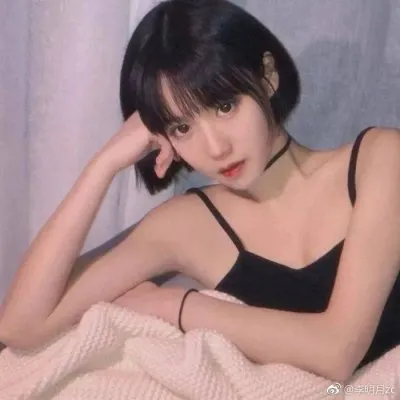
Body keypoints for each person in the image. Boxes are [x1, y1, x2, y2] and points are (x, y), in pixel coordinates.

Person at [0, 0, 399, 383]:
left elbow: (337, 351)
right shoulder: (187, 226)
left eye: (225, 106)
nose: (215, 148)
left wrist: (175, 306)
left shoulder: (380, 159)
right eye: (182, 128)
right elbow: (21, 327)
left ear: (268, 76)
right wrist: (103, 165)